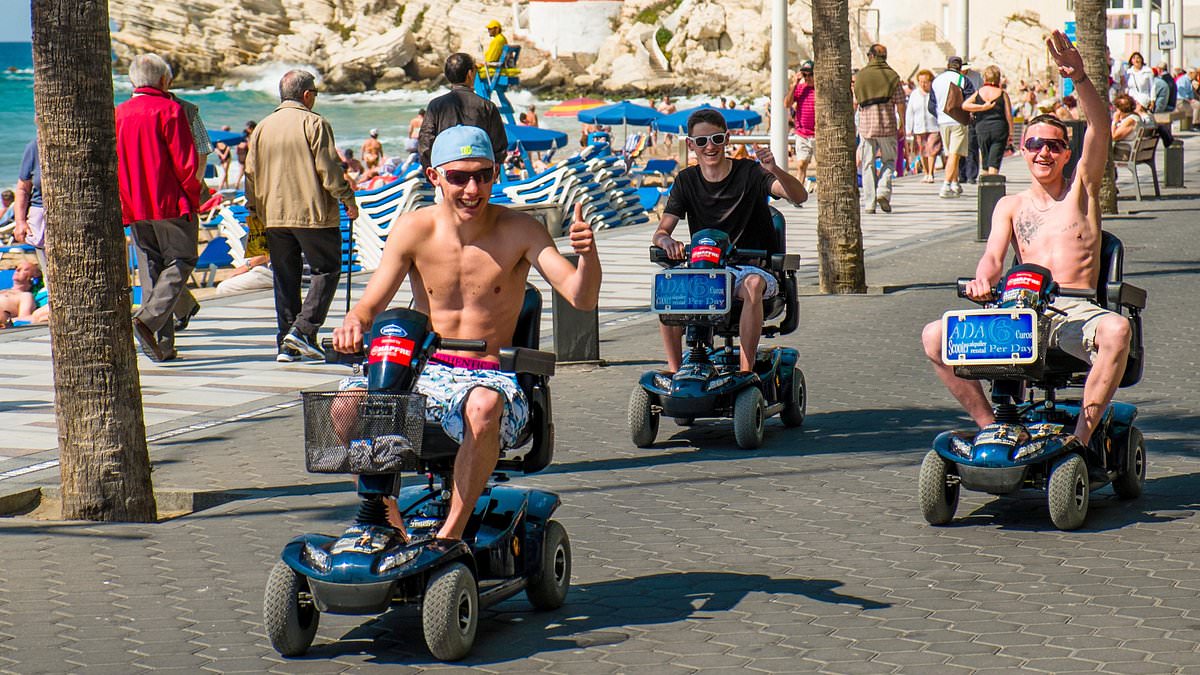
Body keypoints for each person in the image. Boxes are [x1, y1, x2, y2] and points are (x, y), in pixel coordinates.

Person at [331, 125, 601, 543]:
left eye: (484, 175)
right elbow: (372, 303)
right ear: (434, 175)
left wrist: (587, 256)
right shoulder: (412, 229)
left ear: (496, 173)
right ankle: (389, 522)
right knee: (344, 405)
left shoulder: (521, 229)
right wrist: (353, 322)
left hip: (489, 376)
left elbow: (580, 297)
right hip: (423, 369)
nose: (472, 189)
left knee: (482, 406)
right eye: (458, 177)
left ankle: (449, 538)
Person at [921, 31, 1126, 450]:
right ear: (1022, 150)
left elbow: (1100, 128)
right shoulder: (1010, 206)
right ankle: (988, 425)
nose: (1043, 153)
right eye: (1034, 144)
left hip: (1074, 310)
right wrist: (981, 282)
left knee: (1118, 330)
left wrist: (1080, 79)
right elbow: (993, 259)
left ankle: (1081, 441)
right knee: (933, 336)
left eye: (1053, 145)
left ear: (1066, 153)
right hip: (1018, 311)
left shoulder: (1081, 190)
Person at [651, 108, 809, 374]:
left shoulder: (750, 173)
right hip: (707, 268)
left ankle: (746, 373)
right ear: (691, 145)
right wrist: (666, 242)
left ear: (727, 140)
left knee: (753, 283)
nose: (709, 147)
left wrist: (774, 169)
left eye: (716, 139)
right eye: (701, 141)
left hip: (749, 267)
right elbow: (662, 231)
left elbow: (799, 196)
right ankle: (675, 371)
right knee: (671, 287)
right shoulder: (686, 180)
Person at [245, 69, 359, 363]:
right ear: (307, 95)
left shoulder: (262, 128)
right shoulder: (314, 122)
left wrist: (256, 210)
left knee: (285, 278)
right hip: (311, 213)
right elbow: (329, 170)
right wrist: (347, 198)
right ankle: (304, 329)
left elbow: (250, 175)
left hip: (273, 215)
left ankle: (287, 342)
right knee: (327, 269)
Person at [115, 53, 201, 363]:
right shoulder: (170, 110)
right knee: (182, 258)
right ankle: (148, 320)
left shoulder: (119, 113)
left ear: (133, 81)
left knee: (151, 269)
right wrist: (193, 197)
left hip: (134, 202)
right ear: (164, 80)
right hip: (170, 200)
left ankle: (161, 346)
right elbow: (186, 164)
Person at [418, 53, 507, 169]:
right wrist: (488, 175)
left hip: (448, 173)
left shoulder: (435, 106)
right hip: (479, 174)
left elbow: (425, 143)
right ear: (470, 74)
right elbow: (499, 147)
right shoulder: (487, 106)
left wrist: (434, 172)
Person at [853, 44, 905, 214]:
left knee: (867, 164)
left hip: (866, 127)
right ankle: (883, 190)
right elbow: (900, 103)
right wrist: (902, 123)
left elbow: (855, 102)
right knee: (889, 161)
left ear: (871, 56)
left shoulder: (861, 76)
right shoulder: (892, 76)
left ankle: (869, 203)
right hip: (887, 125)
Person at [930, 56, 974, 199]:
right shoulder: (962, 80)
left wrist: (939, 115)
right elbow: (970, 100)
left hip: (943, 122)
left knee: (951, 154)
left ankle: (955, 183)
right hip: (958, 120)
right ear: (960, 67)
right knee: (955, 154)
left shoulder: (936, 81)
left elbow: (931, 105)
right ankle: (946, 184)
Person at [962, 65, 1012, 176]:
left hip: (982, 128)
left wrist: (981, 108)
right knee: (994, 160)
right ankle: (992, 185)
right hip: (999, 128)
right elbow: (1008, 115)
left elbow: (965, 105)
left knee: (985, 159)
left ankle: (984, 186)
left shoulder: (979, 92)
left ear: (985, 78)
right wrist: (1011, 132)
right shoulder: (1002, 93)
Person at [13, 135, 47, 281]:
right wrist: (20, 222)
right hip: (40, 216)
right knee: (49, 274)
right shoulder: (35, 147)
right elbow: (23, 189)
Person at [906, 69, 942, 183]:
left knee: (932, 150)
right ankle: (926, 172)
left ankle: (931, 173)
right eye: (921, 81)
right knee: (922, 151)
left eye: (926, 81)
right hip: (919, 127)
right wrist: (909, 128)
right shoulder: (914, 94)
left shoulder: (935, 93)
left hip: (934, 126)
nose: (923, 84)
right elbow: (910, 112)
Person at [786, 60, 816, 189]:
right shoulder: (800, 89)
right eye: (805, 75)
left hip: (818, 134)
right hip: (802, 133)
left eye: (810, 75)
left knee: (822, 165)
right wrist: (794, 84)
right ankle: (798, 193)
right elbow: (787, 103)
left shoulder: (820, 91)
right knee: (801, 165)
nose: (808, 78)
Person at [234, 120, 256, 188]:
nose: (247, 129)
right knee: (246, 172)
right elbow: (250, 148)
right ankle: (238, 184)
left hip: (242, 157)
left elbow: (237, 147)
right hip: (246, 157)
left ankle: (238, 184)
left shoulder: (245, 136)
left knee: (243, 172)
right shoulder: (250, 136)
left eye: (248, 128)